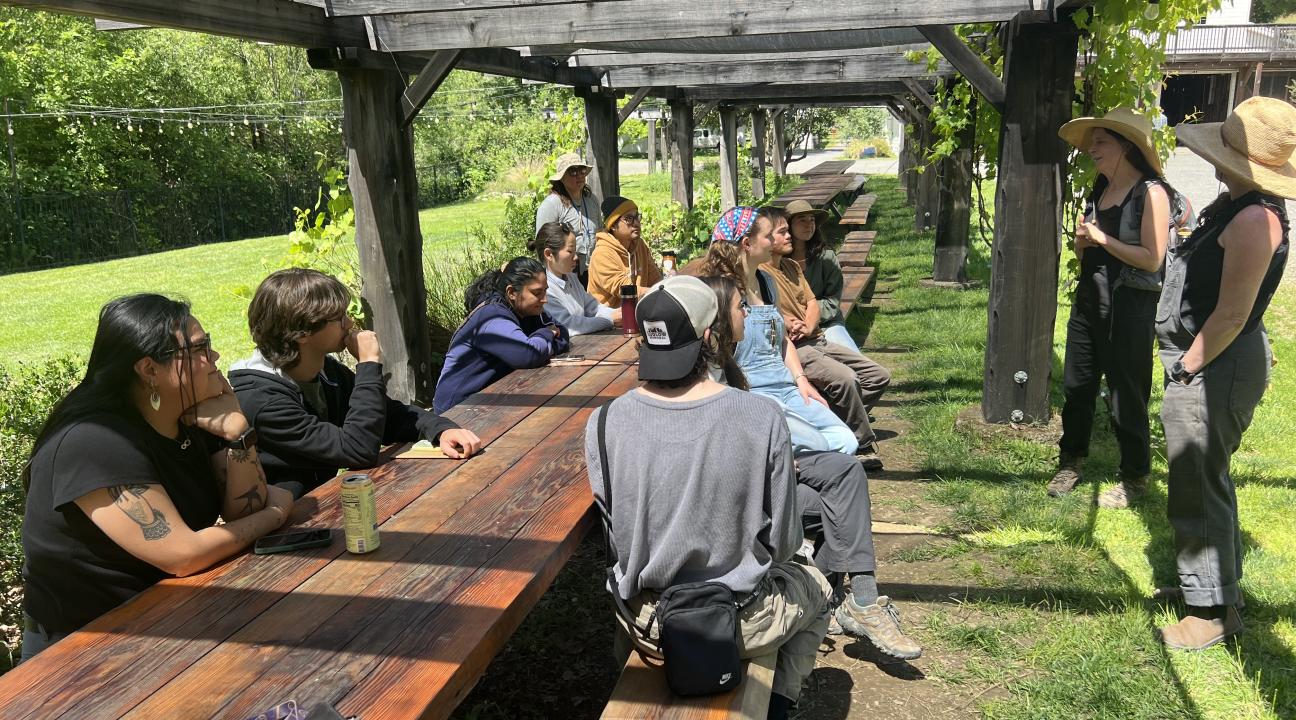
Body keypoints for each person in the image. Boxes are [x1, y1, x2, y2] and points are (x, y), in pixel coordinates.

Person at [585, 275, 831, 719]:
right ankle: (777, 706)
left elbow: (613, 533)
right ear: (708, 337)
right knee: (817, 586)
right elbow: (785, 543)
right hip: (735, 622)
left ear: (643, 341)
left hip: (647, 623)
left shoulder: (603, 422)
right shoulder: (761, 416)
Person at [20, 295, 294, 661]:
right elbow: (182, 555)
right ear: (150, 369)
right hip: (83, 648)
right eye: (200, 348)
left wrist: (239, 432)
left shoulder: (190, 416)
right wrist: (276, 515)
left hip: (168, 617)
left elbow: (245, 510)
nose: (214, 357)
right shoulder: (96, 441)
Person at [700, 275, 921, 658]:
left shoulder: (731, 364)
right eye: (741, 307)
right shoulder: (707, 375)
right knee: (841, 506)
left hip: (773, 471)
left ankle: (856, 600)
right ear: (717, 318)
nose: (748, 313)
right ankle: (838, 596)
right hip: (747, 495)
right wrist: (775, 463)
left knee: (847, 473)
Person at [1156, 97, 1293, 650]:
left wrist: (1184, 371)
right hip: (1213, 361)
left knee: (1198, 480)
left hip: (1214, 366)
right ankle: (1206, 587)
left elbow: (1234, 313)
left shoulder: (1256, 218)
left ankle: (1211, 612)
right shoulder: (1235, 206)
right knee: (1200, 479)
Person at [231, 269, 481, 495]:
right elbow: (358, 449)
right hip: (288, 529)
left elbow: (387, 416)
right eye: (339, 318)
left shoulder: (324, 370)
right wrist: (368, 363)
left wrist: (440, 429)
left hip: (324, 506)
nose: (349, 324)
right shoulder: (263, 401)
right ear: (302, 332)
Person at [1048, 107, 1174, 507]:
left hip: (1129, 310)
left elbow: (1152, 258)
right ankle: (1071, 462)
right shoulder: (1100, 189)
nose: (1091, 149)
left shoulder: (1151, 193)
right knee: (1077, 387)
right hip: (1089, 304)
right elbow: (1090, 251)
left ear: (1126, 146)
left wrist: (1101, 239)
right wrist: (1083, 243)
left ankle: (1135, 477)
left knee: (1128, 393)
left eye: (1100, 142)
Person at [700, 206, 857, 456]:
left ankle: (791, 468)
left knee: (846, 440)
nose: (774, 240)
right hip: (753, 394)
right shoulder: (722, 293)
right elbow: (715, 363)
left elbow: (782, 340)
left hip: (786, 387)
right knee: (818, 445)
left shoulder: (767, 282)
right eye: (768, 236)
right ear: (747, 244)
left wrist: (802, 381)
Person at [761, 205, 892, 471]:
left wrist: (809, 326)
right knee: (846, 379)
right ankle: (862, 443)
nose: (789, 235)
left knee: (878, 376)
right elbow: (761, 309)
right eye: (783, 230)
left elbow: (814, 303)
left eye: (811, 221)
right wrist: (787, 322)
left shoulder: (795, 265)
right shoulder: (761, 273)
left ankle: (831, 421)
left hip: (816, 336)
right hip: (794, 347)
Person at [434, 257, 571, 413]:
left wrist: (544, 343)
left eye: (545, 290)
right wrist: (546, 334)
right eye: (537, 292)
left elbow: (562, 332)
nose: (544, 299)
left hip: (491, 400)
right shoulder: (491, 316)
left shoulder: (528, 309)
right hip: (457, 409)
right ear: (511, 292)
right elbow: (528, 354)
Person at [788, 199, 864, 352]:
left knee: (854, 359)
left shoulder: (826, 257)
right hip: (790, 324)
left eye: (812, 220)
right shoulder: (778, 261)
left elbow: (832, 301)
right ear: (788, 225)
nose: (808, 225)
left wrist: (806, 317)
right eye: (802, 220)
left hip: (826, 323)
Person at [532, 221, 621, 336]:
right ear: (549, 254)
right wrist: (609, 320)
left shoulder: (571, 278)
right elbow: (568, 325)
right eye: (570, 251)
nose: (575, 257)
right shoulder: (545, 289)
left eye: (575, 251)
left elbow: (593, 307)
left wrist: (618, 313)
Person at [586, 195, 662, 308]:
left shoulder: (640, 245)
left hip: (637, 310)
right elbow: (625, 290)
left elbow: (656, 280)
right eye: (629, 219)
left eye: (637, 217)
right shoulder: (602, 254)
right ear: (612, 225)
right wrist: (661, 291)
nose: (636, 223)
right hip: (607, 319)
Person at [535, 153, 601, 276]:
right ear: (561, 177)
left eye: (582, 170)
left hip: (593, 270)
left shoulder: (592, 200)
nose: (579, 176)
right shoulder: (551, 204)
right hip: (567, 273)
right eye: (572, 172)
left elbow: (600, 233)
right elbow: (542, 246)